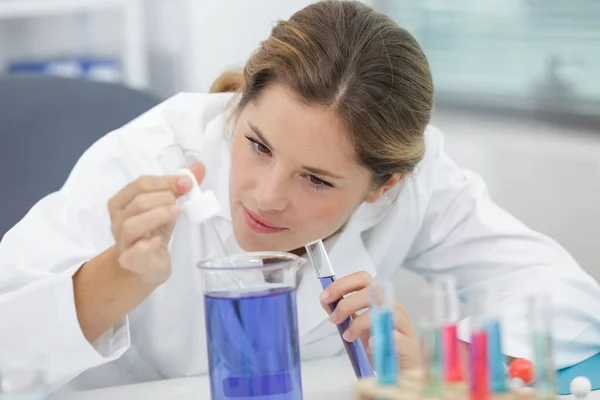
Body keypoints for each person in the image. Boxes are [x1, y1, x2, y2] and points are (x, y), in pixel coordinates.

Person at [1, 0, 599, 394]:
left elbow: (569, 301)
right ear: (240, 107)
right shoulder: (149, 160)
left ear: (383, 187)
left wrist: (442, 362)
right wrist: (116, 277)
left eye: (315, 180)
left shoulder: (413, 178)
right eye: (257, 144)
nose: (264, 197)